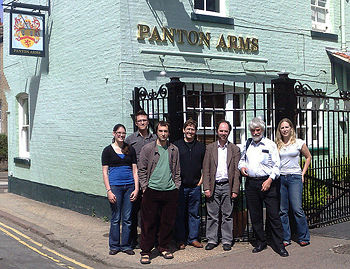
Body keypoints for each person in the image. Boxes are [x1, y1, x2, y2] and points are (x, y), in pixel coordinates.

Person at [238, 117, 288, 257]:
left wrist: (270, 180)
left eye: (257, 130)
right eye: (253, 130)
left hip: (268, 183)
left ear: (262, 130)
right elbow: (241, 161)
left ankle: (279, 245)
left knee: (273, 215)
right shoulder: (247, 144)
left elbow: (276, 166)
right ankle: (261, 242)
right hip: (251, 184)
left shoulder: (270, 144)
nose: (255, 132)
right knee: (255, 215)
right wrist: (242, 168)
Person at [138, 121, 181, 264]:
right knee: (148, 223)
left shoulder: (174, 149)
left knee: (167, 222)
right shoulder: (147, 149)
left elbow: (177, 171)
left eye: (166, 131)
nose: (163, 134)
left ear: (169, 133)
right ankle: (145, 250)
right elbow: (142, 169)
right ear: (157, 132)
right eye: (161, 131)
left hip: (170, 191)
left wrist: (176, 186)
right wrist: (145, 187)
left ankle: (163, 247)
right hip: (152, 190)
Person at [202, 120, 241, 251]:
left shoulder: (235, 149)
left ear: (229, 132)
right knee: (212, 214)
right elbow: (206, 169)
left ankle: (227, 240)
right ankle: (212, 239)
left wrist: (235, 189)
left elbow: (236, 171)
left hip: (227, 186)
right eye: (221, 130)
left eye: (225, 131)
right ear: (217, 131)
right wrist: (206, 187)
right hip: (214, 185)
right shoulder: (210, 148)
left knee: (227, 215)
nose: (223, 133)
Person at [101, 124, 139, 256]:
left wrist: (136, 188)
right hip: (115, 188)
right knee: (116, 218)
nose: (122, 135)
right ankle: (114, 245)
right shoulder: (107, 151)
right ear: (114, 134)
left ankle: (126, 245)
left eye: (123, 133)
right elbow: (105, 173)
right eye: (119, 133)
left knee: (128, 218)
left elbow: (135, 171)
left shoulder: (130, 150)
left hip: (129, 187)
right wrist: (109, 191)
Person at [275, 118, 311, 247]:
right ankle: (286, 238)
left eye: (287, 127)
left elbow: (308, 157)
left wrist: (302, 173)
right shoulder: (277, 144)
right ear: (279, 130)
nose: (284, 130)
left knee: (297, 209)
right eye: (282, 127)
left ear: (291, 128)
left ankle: (304, 237)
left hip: (294, 178)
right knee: (283, 210)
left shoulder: (298, 143)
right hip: (281, 178)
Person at [125, 110, 157, 249]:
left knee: (152, 212)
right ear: (136, 123)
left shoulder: (155, 138)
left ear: (148, 121)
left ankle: (152, 239)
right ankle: (132, 240)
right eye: (139, 121)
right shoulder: (130, 140)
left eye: (144, 120)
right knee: (133, 211)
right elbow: (124, 158)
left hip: (153, 179)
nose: (142, 123)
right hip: (135, 180)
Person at [174, 119, 206, 250]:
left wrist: (201, 181)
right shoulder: (176, 146)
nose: (190, 131)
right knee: (180, 214)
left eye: (192, 129)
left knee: (194, 214)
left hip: (195, 186)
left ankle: (193, 238)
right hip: (181, 186)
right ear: (183, 130)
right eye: (188, 129)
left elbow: (205, 166)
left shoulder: (201, 147)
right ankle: (180, 239)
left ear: (195, 131)